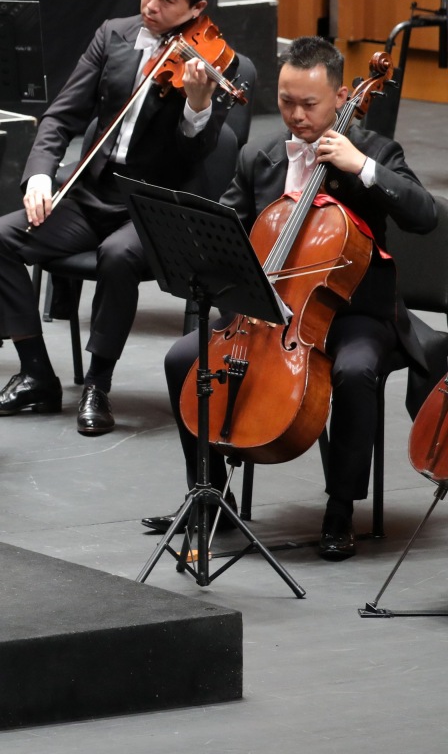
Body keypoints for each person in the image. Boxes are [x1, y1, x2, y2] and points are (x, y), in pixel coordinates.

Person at [149, 38, 438, 560]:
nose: (297, 116)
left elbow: (424, 215)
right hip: (271, 313)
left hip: (354, 311)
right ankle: (209, 494)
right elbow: (228, 232)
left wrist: (361, 166)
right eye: (286, 102)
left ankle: (340, 508)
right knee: (181, 359)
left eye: (309, 104)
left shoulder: (375, 150)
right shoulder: (259, 156)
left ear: (341, 98)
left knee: (355, 372)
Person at [0, 0, 235, 436]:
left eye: (167, 0)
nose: (150, 6)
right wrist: (40, 175)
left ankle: (97, 384)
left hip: (153, 207)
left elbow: (196, 155)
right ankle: (36, 374)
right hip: (91, 194)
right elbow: (62, 115)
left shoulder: (217, 63)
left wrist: (197, 106)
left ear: (197, 7)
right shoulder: (113, 35)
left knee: (117, 256)